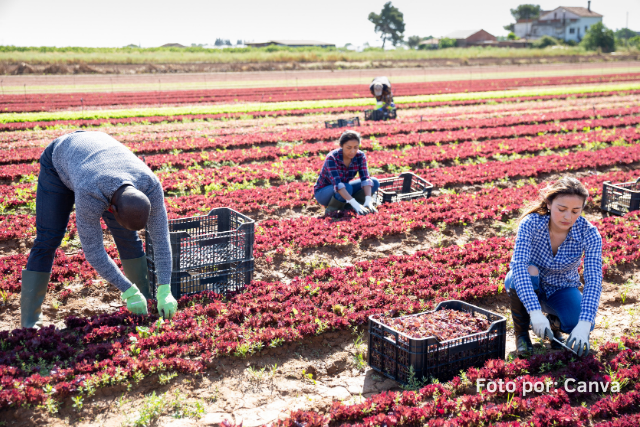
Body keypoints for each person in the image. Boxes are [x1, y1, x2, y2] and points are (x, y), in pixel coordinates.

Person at [21, 130, 177, 329]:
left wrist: (165, 288)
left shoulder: (151, 187)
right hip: (61, 160)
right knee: (48, 238)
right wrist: (128, 291)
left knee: (128, 238)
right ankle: (29, 322)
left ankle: (146, 299)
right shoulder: (90, 193)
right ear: (112, 210)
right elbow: (94, 252)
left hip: (102, 160)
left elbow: (161, 239)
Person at [505, 177, 601, 357]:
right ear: (549, 204)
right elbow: (518, 267)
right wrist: (534, 311)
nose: (568, 217)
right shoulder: (532, 223)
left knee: (581, 320)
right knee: (527, 270)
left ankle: (551, 323)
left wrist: (584, 324)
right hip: (530, 283)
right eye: (562, 209)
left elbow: (593, 279)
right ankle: (522, 335)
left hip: (562, 288)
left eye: (575, 211)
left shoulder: (589, 233)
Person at [314, 130, 380, 214]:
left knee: (374, 182)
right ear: (341, 146)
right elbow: (337, 184)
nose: (353, 151)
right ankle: (331, 209)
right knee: (347, 187)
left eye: (356, 147)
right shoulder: (332, 157)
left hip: (344, 188)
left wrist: (368, 200)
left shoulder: (360, 156)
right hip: (323, 193)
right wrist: (355, 204)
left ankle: (352, 206)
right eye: (349, 147)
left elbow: (365, 179)